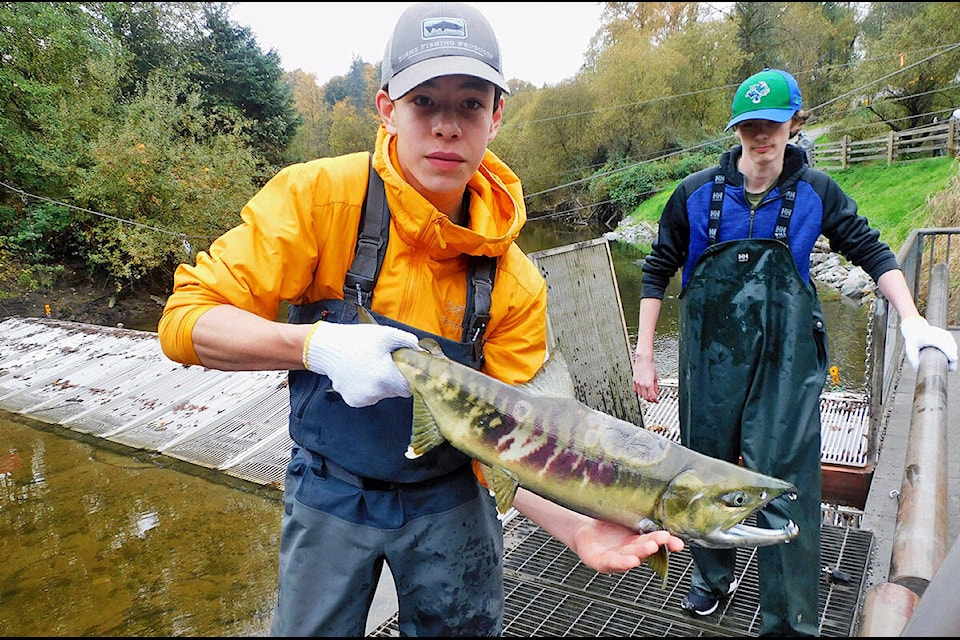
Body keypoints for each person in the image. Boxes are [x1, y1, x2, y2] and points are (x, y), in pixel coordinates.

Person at [158, 2, 682, 636]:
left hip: (452, 494)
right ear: (387, 109)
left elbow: (511, 446)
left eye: (469, 104)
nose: (446, 127)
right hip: (329, 487)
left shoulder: (515, 281)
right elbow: (187, 321)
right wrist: (314, 346)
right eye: (424, 102)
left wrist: (578, 526)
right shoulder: (318, 200)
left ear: (496, 116)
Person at [632, 68, 958, 637]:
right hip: (709, 359)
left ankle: (786, 619)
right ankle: (713, 578)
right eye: (751, 126)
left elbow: (873, 251)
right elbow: (657, 270)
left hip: (787, 363)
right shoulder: (694, 195)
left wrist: (912, 321)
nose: (762, 137)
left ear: (794, 124)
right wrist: (643, 355)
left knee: (783, 481)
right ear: (738, 130)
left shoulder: (817, 192)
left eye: (773, 125)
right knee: (704, 469)